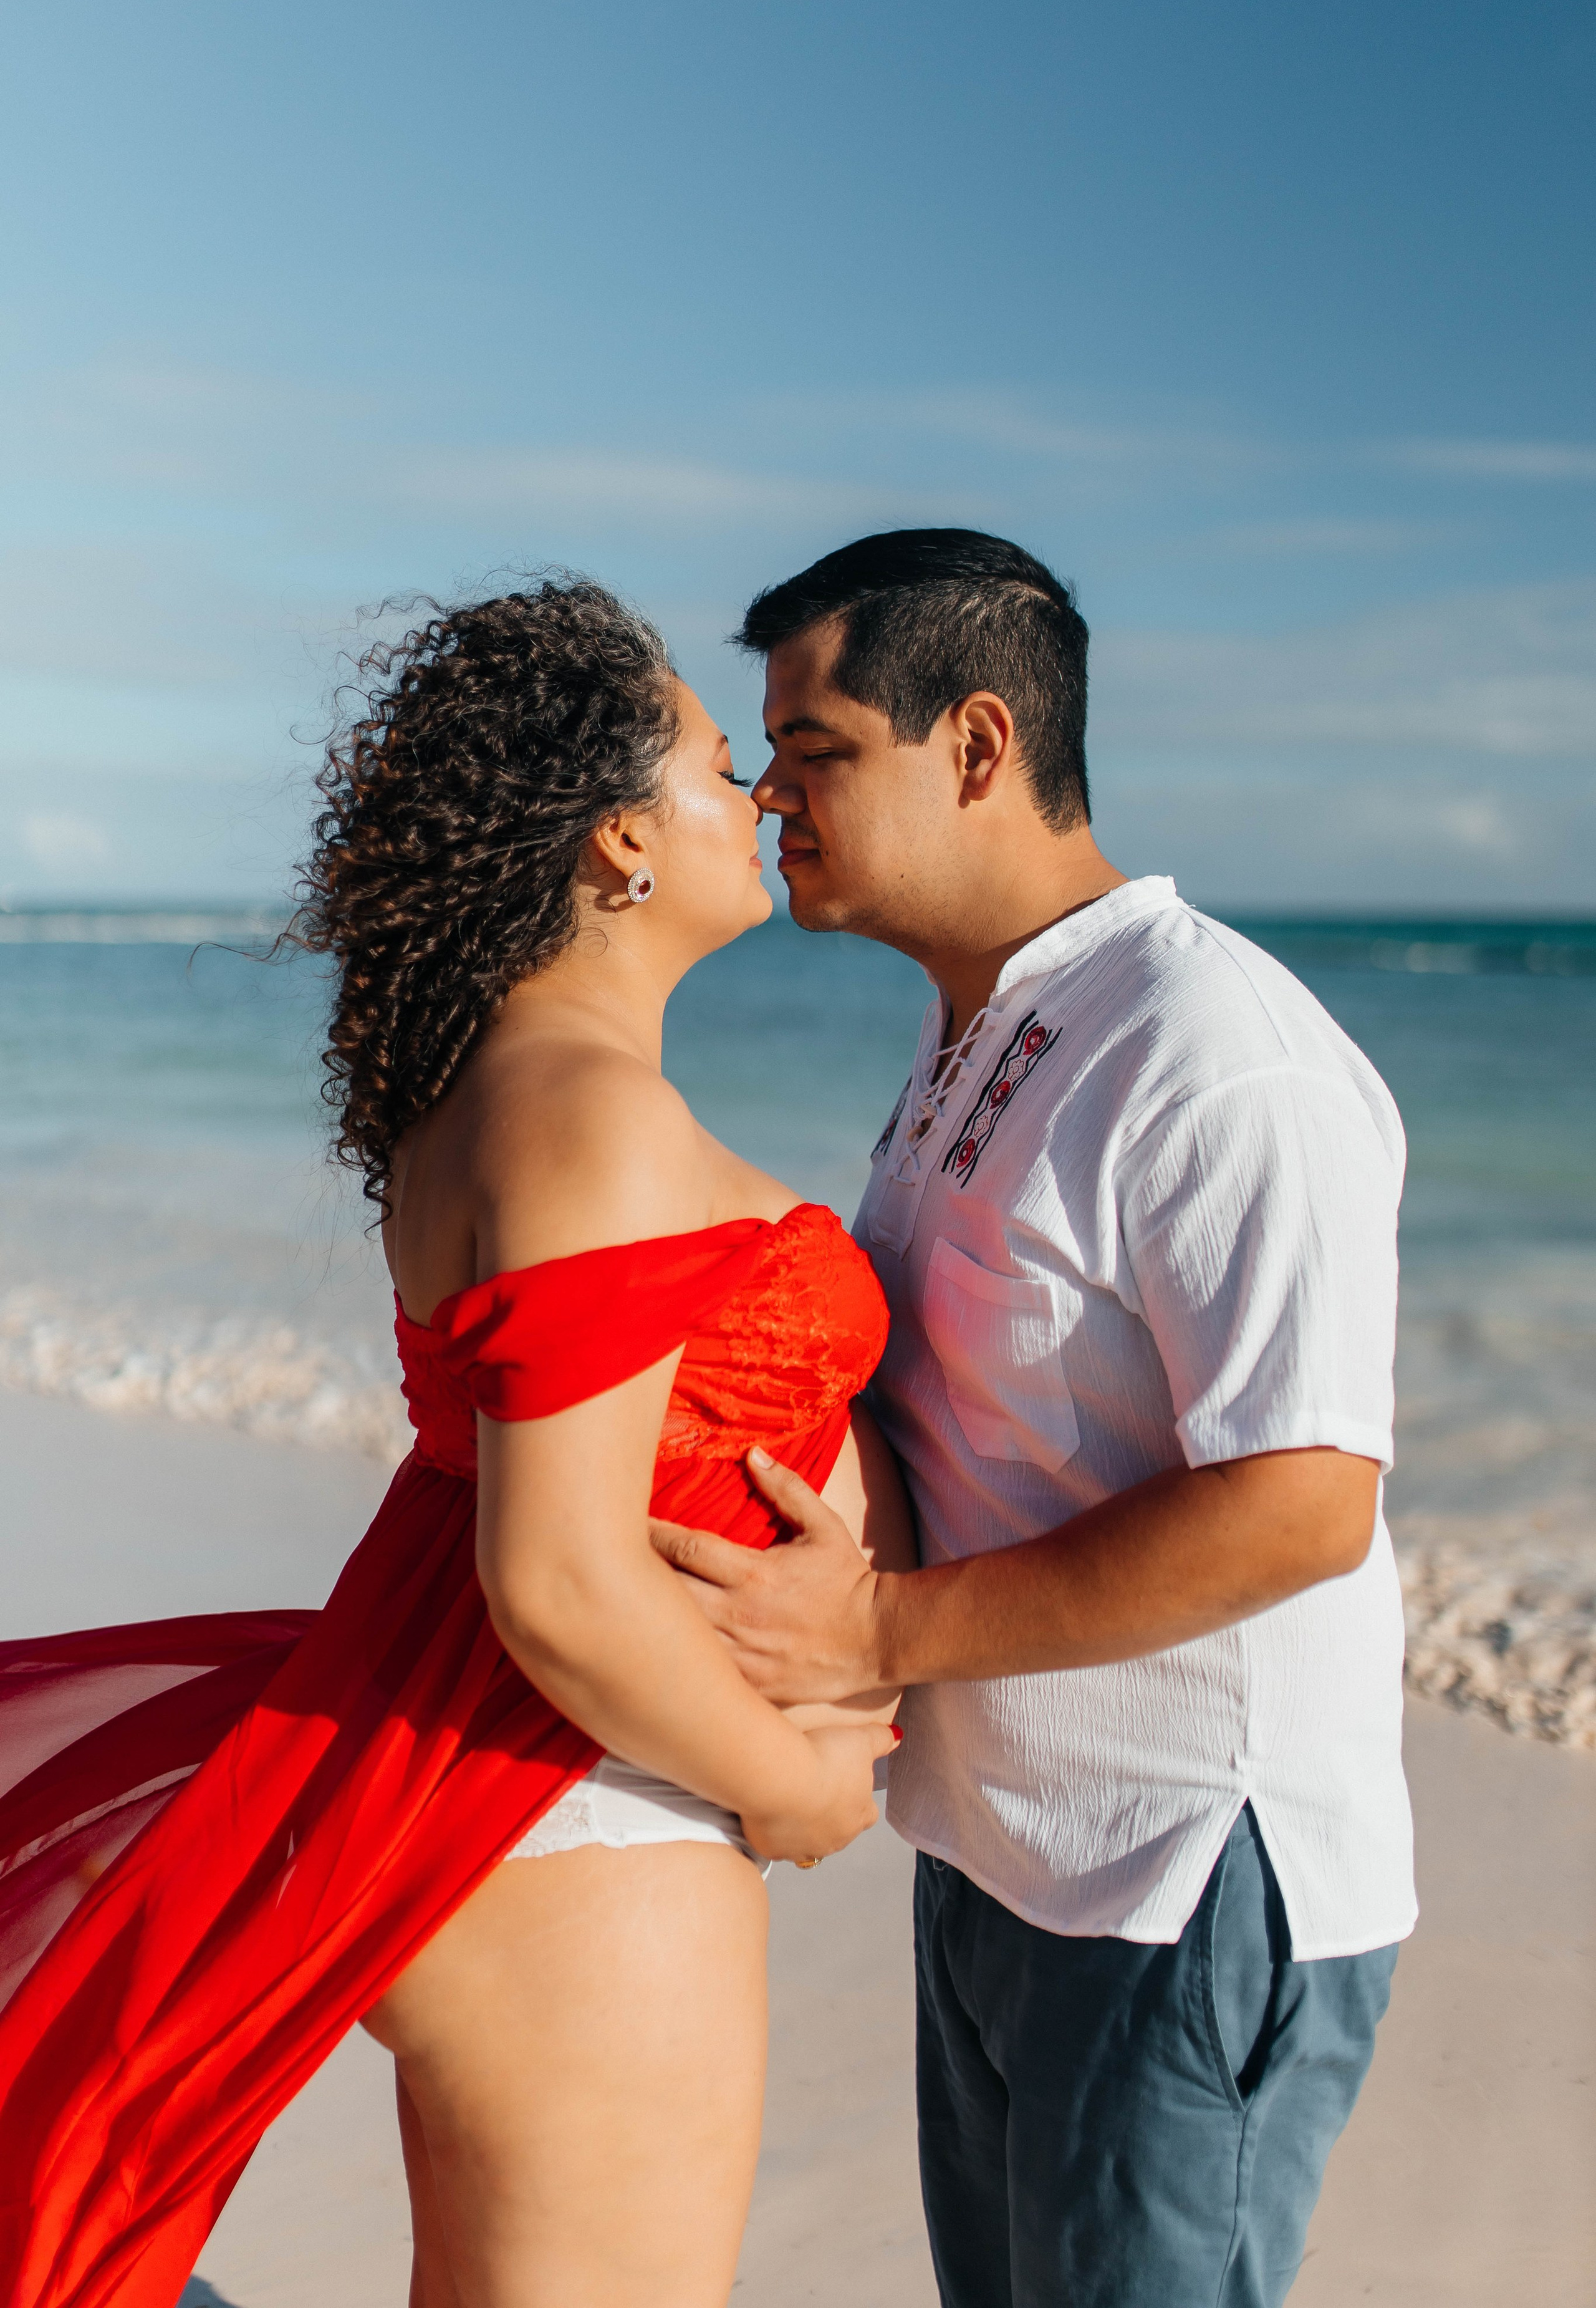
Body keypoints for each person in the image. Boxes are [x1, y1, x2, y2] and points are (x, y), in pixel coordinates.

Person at [0, 576, 911, 2308]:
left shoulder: (509, 1093)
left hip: (524, 1785)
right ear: (621, 839)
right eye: (723, 769)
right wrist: (793, 1783)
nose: (759, 797)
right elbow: (557, 1577)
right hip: (583, 1800)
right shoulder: (590, 1114)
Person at [651, 528, 1417, 2308]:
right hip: (1000, 1855)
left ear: (978, 745)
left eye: (818, 749)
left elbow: (1306, 1497)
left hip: (1183, 1882)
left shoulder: (1215, 1049)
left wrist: (880, 1627)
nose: (770, 797)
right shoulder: (983, 1028)